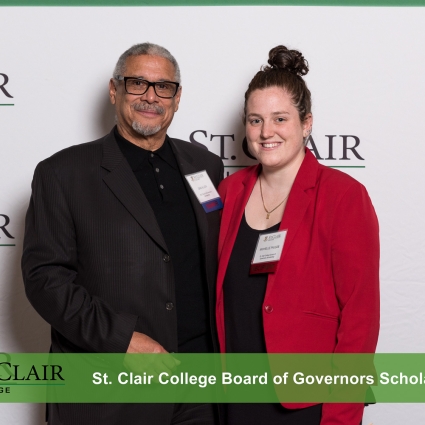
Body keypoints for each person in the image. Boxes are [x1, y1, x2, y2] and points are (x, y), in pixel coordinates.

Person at [21, 42, 223, 425]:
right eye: (137, 83)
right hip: (110, 392)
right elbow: (45, 280)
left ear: (177, 98)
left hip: (200, 390)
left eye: (163, 87)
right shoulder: (63, 173)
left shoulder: (206, 166)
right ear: (114, 90)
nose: (151, 97)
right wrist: (122, 339)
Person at [215, 45, 379, 425]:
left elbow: (361, 319)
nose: (266, 132)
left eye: (280, 119)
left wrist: (341, 417)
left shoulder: (343, 196)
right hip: (235, 399)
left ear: (306, 124)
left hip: (308, 405)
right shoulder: (230, 192)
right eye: (255, 120)